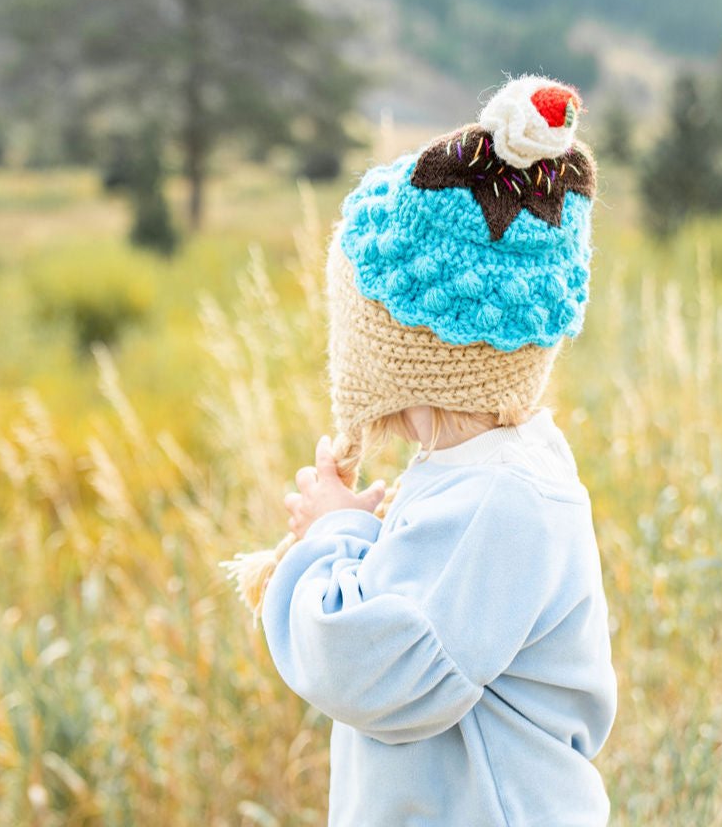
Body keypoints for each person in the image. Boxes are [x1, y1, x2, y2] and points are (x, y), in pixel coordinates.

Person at [226, 75, 617, 826]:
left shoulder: (496, 497)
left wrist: (333, 536)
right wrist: (373, 544)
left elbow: (372, 667)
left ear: (398, 355)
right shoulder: (479, 475)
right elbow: (435, 617)